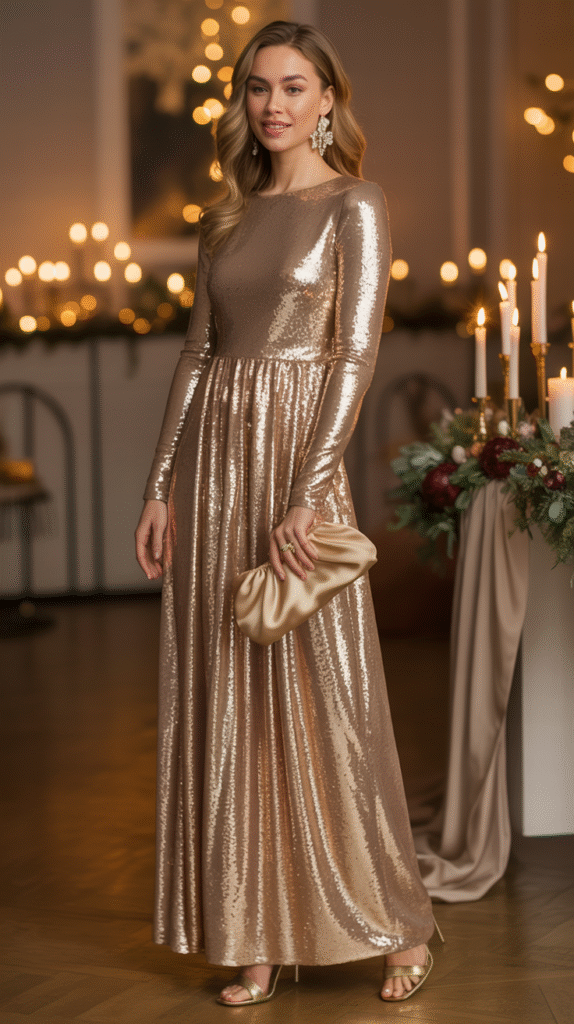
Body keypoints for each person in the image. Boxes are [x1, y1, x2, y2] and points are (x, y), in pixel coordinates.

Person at [135, 19, 438, 1006]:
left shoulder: (354, 203)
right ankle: (254, 932)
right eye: (258, 87)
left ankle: (397, 922)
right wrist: (160, 485)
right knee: (229, 690)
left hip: (298, 459)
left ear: (327, 100)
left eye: (294, 86)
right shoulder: (225, 216)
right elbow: (197, 354)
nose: (273, 104)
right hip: (215, 470)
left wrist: (308, 489)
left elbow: (354, 352)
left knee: (324, 690)